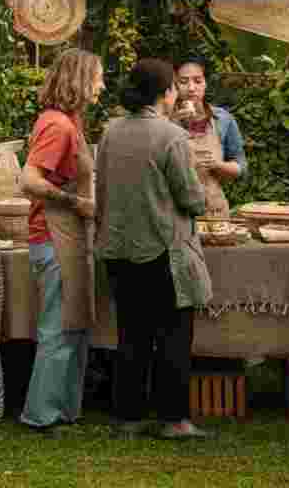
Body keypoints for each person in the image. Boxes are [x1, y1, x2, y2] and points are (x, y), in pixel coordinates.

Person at [96, 59, 214, 439]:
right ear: (166, 92)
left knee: (132, 335)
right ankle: (174, 419)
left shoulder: (112, 132)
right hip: (162, 249)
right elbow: (193, 199)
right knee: (174, 336)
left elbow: (102, 191)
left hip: (117, 248)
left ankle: (127, 416)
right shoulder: (171, 136)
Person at [18, 48, 104, 432]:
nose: (102, 85)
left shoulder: (70, 122)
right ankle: (42, 414)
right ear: (81, 80)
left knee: (73, 325)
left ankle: (64, 410)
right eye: (98, 77)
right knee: (58, 328)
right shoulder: (58, 126)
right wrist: (75, 201)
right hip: (54, 236)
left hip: (66, 234)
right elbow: (30, 180)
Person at [172, 55, 247, 216]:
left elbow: (241, 165)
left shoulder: (223, 119)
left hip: (214, 212)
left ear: (206, 83)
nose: (191, 88)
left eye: (198, 81)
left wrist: (220, 166)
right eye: (183, 82)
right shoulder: (165, 120)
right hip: (175, 213)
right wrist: (172, 122)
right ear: (174, 86)